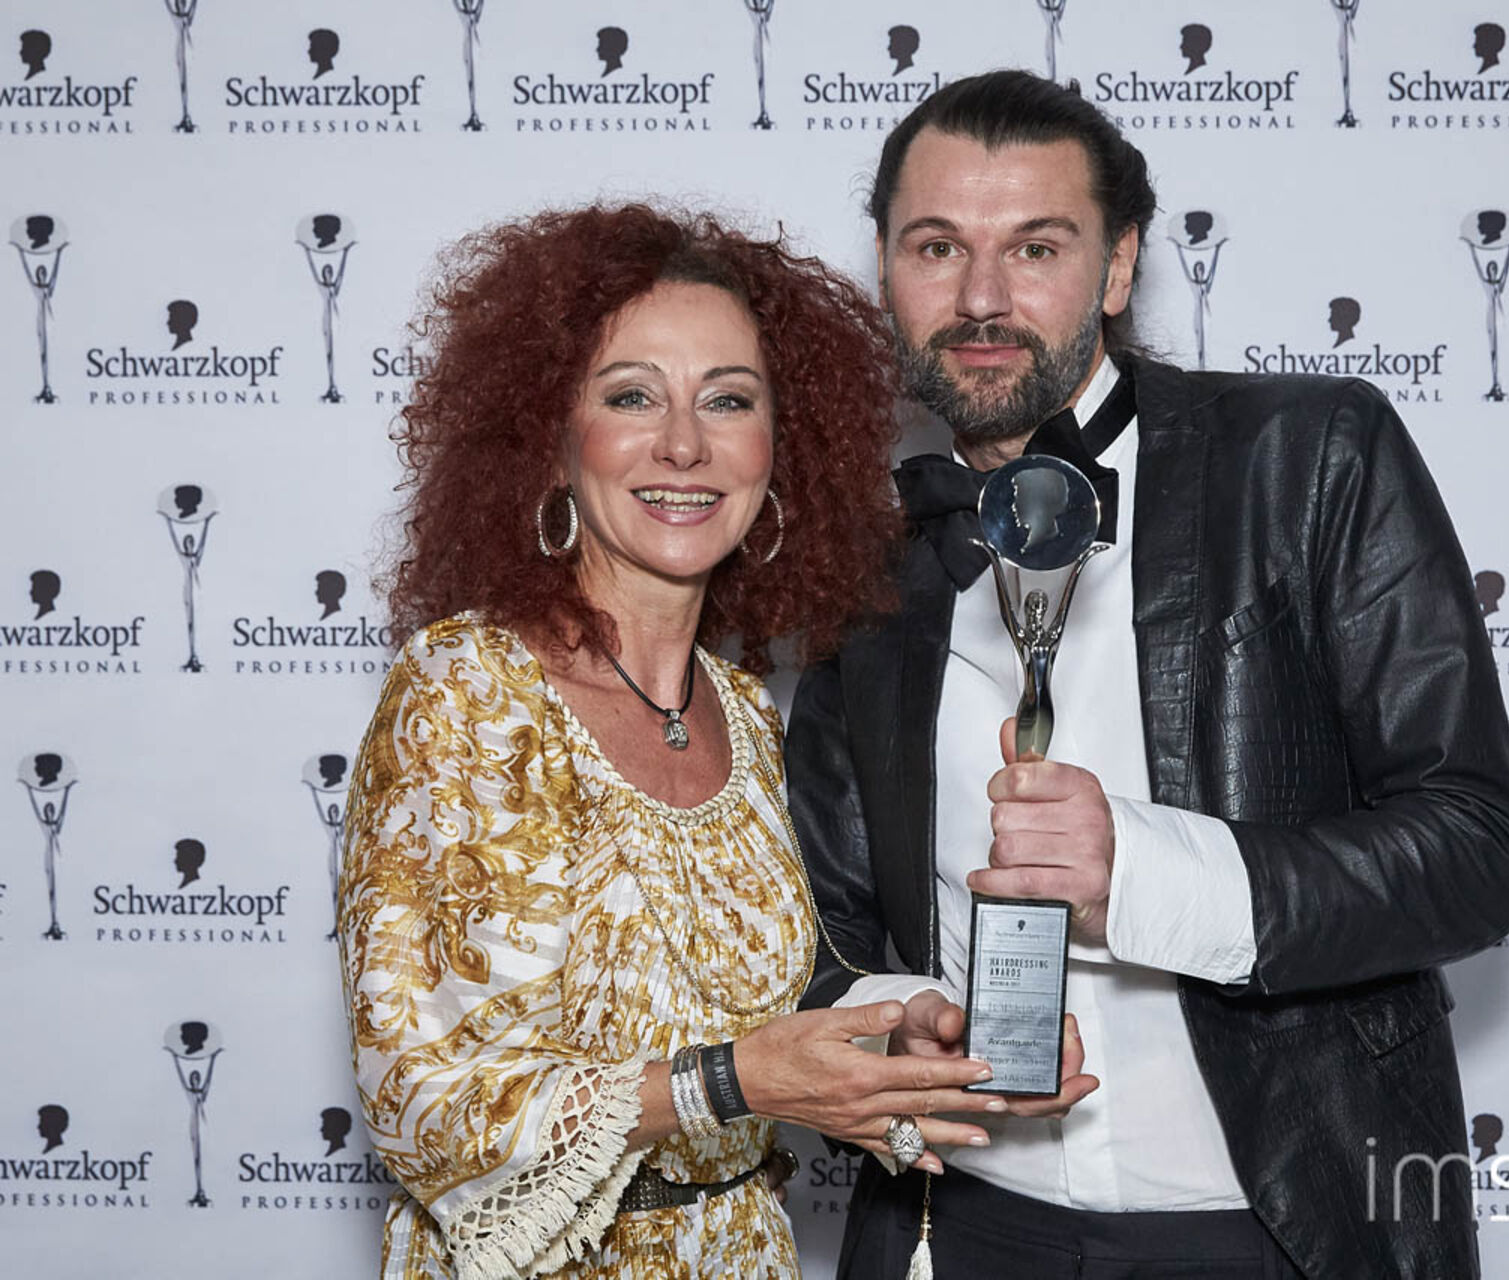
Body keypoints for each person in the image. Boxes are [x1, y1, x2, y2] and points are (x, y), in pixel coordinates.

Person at [786, 71, 1509, 1278]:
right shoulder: (865, 560)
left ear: (1119, 266)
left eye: (1037, 247)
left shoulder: (1309, 459)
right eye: (938, 247)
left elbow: (1475, 848)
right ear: (886, 269)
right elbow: (830, 929)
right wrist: (898, 1028)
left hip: (1282, 1229)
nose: (981, 297)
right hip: (959, 1224)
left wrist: (1137, 869)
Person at [338, 204, 1010, 1280]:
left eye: (729, 399)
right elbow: (434, 1110)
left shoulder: (745, 712)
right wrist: (732, 1083)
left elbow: (758, 1017)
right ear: (550, 438)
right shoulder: (467, 691)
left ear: (782, 450)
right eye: (631, 395)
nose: (686, 444)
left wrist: (894, 1044)